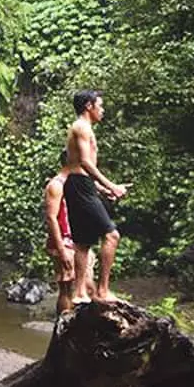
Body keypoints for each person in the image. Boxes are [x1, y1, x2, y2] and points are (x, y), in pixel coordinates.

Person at [63, 90, 127, 304]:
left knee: (83, 243)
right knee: (111, 235)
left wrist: (101, 188)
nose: (103, 110)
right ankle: (102, 290)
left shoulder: (85, 127)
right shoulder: (81, 127)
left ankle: (80, 293)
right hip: (79, 185)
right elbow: (84, 163)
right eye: (100, 105)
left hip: (81, 184)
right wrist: (112, 185)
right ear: (89, 106)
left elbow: (80, 168)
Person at [45, 150, 95, 314]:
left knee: (86, 283)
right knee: (66, 286)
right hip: (64, 242)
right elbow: (51, 218)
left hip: (79, 240)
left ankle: (81, 327)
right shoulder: (56, 185)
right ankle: (64, 326)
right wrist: (61, 250)